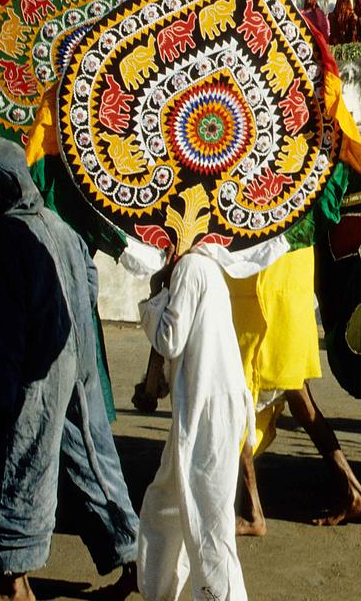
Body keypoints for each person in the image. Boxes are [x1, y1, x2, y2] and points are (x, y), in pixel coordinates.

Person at [0, 136, 138, 601]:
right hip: (76, 361)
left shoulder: (7, 239)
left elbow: (2, 332)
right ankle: (133, 556)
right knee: (94, 458)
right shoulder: (58, 225)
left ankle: (12, 583)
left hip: (34, 374)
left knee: (19, 462)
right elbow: (89, 284)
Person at [228, 247, 361, 536]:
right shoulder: (297, 207)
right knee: (302, 403)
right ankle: (354, 491)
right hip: (290, 296)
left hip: (264, 304)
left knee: (238, 405)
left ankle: (252, 513)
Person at [138, 244, 254, 601]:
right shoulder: (204, 265)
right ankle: (158, 589)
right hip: (204, 407)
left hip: (209, 409)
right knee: (165, 505)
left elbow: (170, 339)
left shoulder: (191, 267)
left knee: (209, 522)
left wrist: (156, 297)